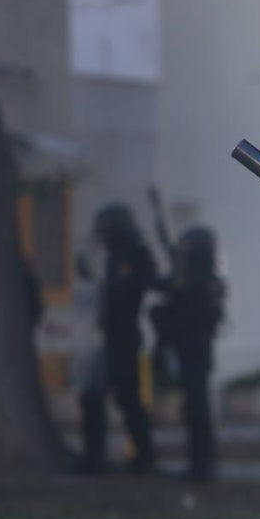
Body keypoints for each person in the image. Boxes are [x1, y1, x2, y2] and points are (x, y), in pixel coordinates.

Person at [72, 202, 157, 474]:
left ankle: (136, 457)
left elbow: (129, 291)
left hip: (122, 337)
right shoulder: (114, 256)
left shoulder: (134, 255)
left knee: (117, 399)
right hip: (111, 337)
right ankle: (100, 457)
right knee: (103, 398)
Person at [150, 226, 225, 481]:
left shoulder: (203, 284)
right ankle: (198, 464)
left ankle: (202, 466)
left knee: (197, 409)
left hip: (195, 352)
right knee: (193, 408)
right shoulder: (198, 282)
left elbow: (179, 298)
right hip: (188, 351)